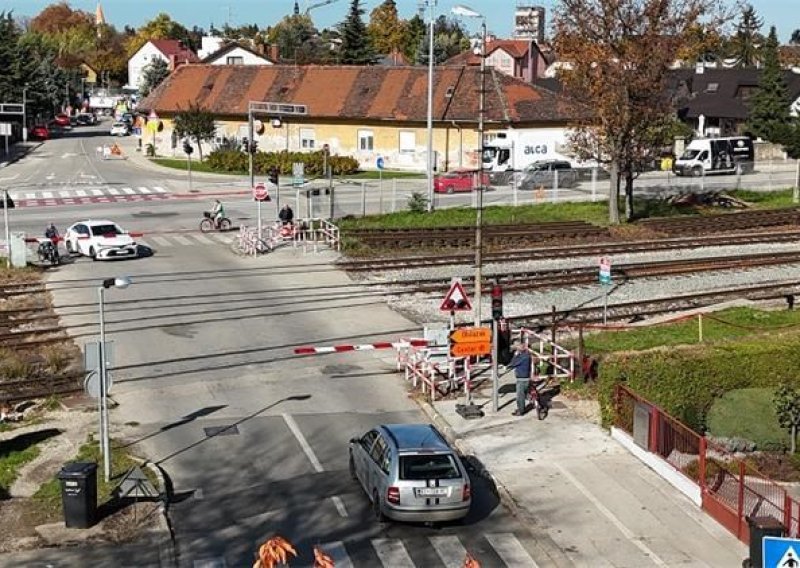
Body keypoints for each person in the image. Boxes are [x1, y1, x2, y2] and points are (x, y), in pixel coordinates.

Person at [506, 341, 532, 416]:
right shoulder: (527, 355)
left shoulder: (522, 357)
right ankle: (528, 401)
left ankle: (521, 411)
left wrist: (515, 355)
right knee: (524, 393)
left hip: (521, 379)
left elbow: (513, 363)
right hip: (526, 377)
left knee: (520, 396)